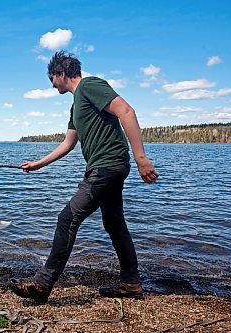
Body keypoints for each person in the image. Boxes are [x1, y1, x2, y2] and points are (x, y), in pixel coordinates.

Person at [9, 51, 159, 303]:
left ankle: (43, 284)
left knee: (67, 218)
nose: (52, 84)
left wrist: (141, 158)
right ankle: (131, 283)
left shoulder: (90, 85)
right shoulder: (76, 104)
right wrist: (38, 164)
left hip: (107, 166)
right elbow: (68, 144)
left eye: (52, 78)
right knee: (114, 224)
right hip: (106, 168)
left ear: (61, 73)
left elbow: (127, 111)